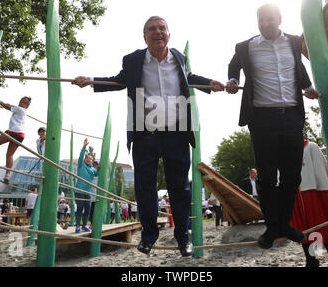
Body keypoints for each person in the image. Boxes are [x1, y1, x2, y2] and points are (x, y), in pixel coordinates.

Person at [72, 16, 225, 257]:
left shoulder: (179, 58)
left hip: (177, 132)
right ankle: (148, 236)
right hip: (145, 133)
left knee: (180, 189)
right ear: (145, 37)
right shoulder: (134, 60)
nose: (158, 32)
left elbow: (189, 78)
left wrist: (210, 84)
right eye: (152, 29)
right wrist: (90, 81)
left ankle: (183, 238)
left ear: (168, 34)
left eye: (162, 28)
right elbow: (118, 81)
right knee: (145, 188)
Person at [226, 4, 321, 250]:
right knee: (267, 177)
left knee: (292, 175)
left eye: (270, 19)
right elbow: (234, 64)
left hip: (291, 116)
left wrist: (308, 87)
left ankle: (284, 224)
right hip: (262, 118)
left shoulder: (292, 42)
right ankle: (272, 227)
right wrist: (233, 80)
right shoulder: (246, 46)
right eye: (261, 20)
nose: (265, 24)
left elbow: (297, 68)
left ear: (280, 19)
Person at [290, 140, 328, 267]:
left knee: (322, 224)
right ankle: (311, 260)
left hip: (313, 191)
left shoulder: (311, 146)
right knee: (302, 229)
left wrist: (324, 189)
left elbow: (322, 169)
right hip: (294, 195)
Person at [74, 138, 99, 233]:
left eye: (91, 159)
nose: (89, 160)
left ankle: (84, 225)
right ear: (85, 159)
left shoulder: (93, 170)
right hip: (79, 191)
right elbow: (80, 156)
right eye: (87, 158)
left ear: (92, 162)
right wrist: (84, 147)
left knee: (88, 209)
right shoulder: (81, 165)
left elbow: (98, 173)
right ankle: (77, 226)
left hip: (88, 192)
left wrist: (100, 168)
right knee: (80, 209)